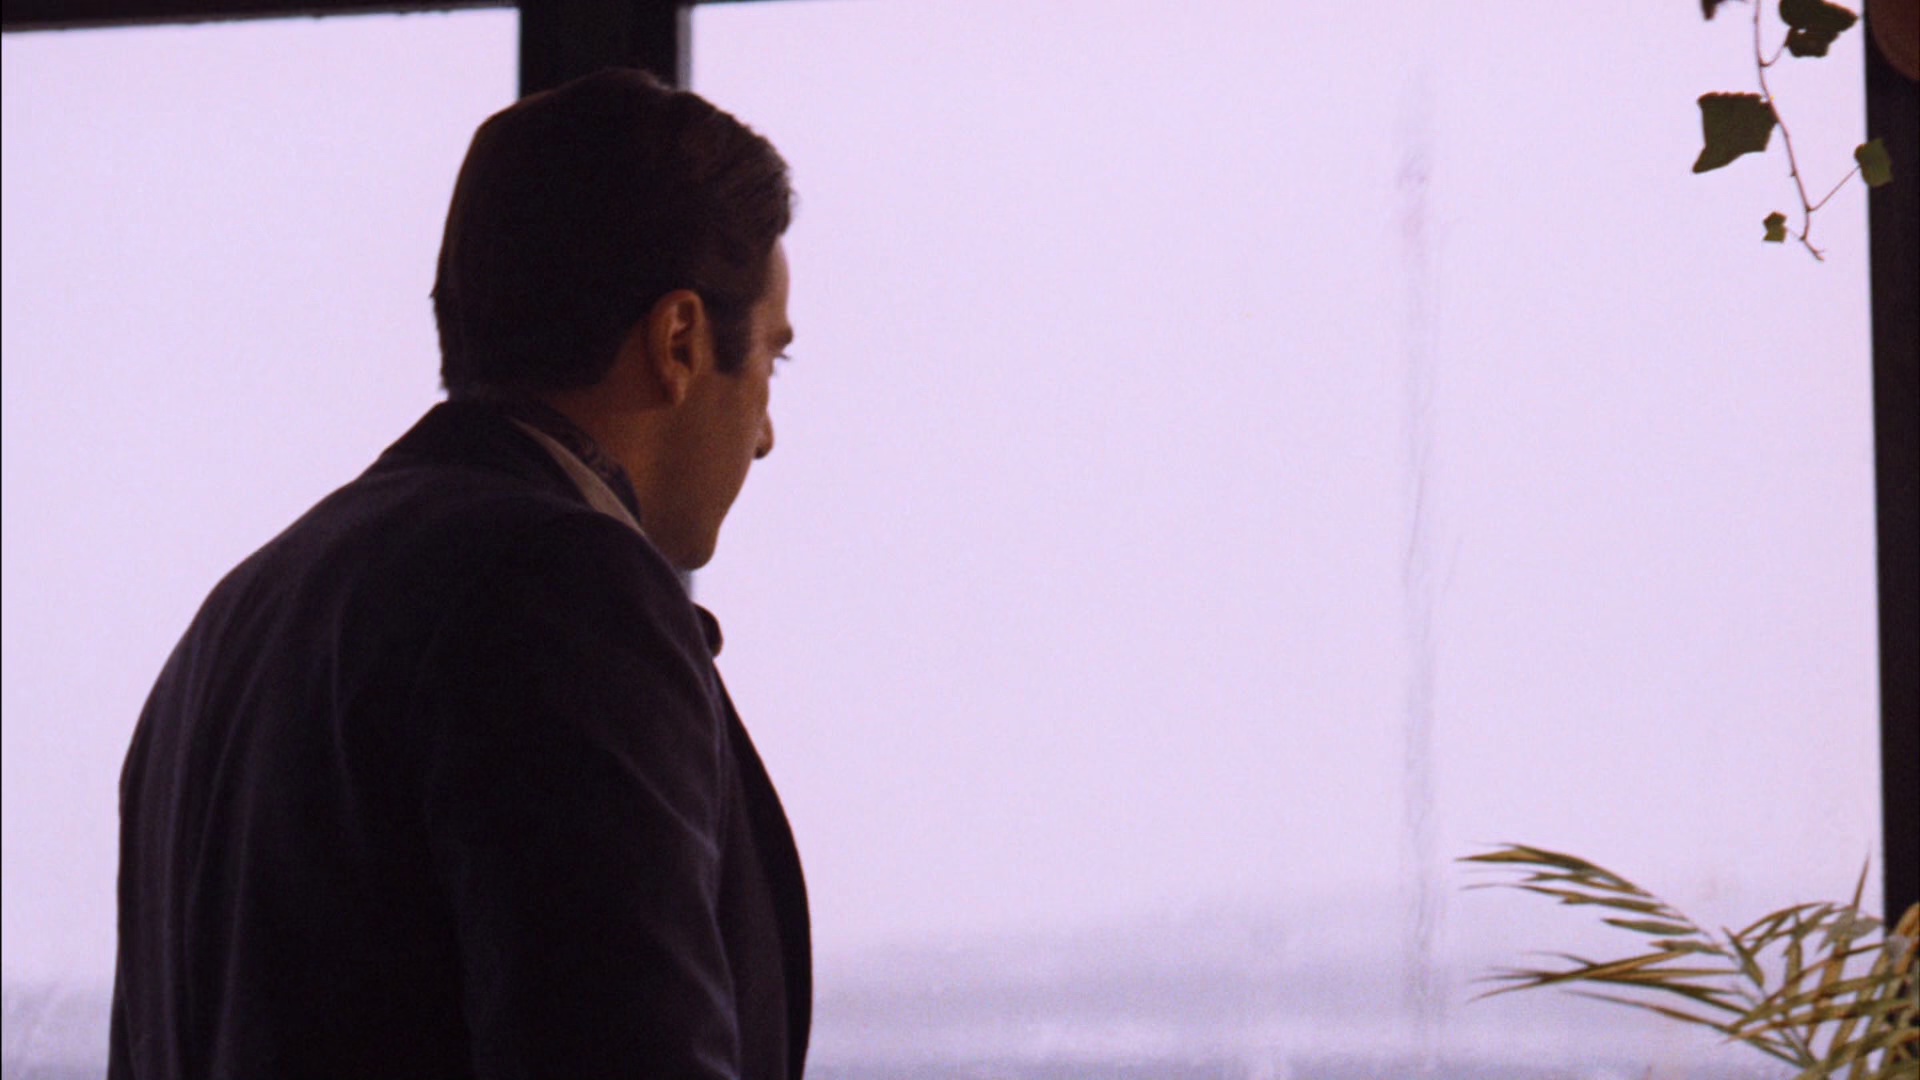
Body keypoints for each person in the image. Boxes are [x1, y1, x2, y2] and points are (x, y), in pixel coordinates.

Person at [108, 68, 810, 1080]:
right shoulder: (561, 592)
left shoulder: (228, 629)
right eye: (772, 363)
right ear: (680, 341)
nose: (767, 434)